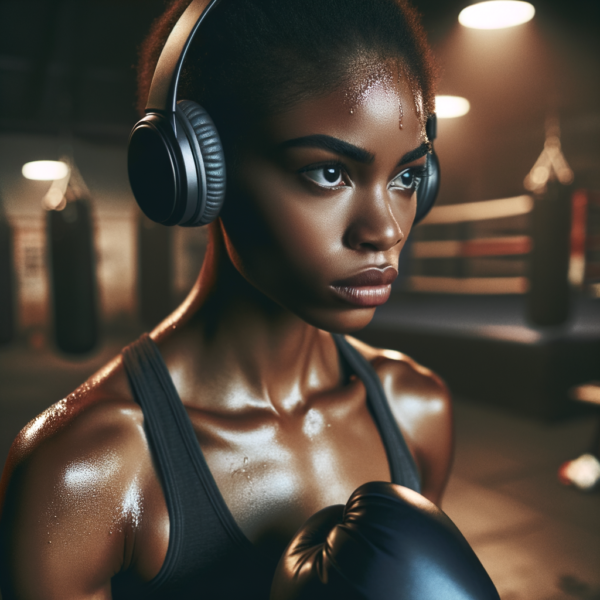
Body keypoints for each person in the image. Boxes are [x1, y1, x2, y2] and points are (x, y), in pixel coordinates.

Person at [0, 0, 453, 598]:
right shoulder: (86, 474)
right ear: (195, 175)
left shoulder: (417, 410)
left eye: (406, 177)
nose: (386, 230)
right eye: (328, 173)